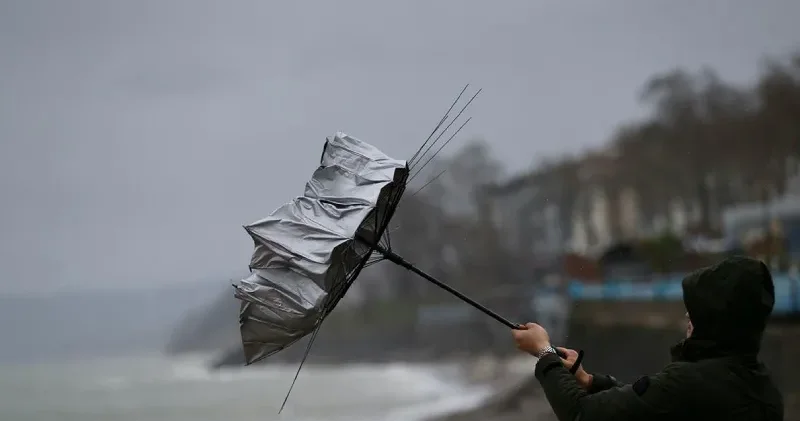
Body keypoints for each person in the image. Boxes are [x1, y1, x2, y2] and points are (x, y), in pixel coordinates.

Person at [512, 256, 784, 420]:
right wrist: (590, 381)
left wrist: (544, 352)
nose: (688, 316)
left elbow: (581, 414)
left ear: (717, 319)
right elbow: (651, 406)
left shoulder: (690, 383)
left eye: (697, 311)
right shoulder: (762, 388)